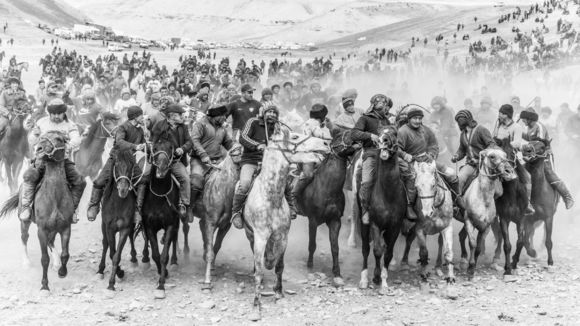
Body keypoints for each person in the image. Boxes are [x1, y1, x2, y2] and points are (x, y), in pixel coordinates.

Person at [19, 98, 86, 222]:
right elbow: (31, 140)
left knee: (80, 181)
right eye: (53, 113)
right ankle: (26, 206)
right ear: (49, 113)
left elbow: (76, 139)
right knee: (29, 177)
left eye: (58, 113)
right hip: (43, 160)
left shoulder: (70, 125)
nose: (56, 116)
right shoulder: (41, 122)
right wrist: (34, 134)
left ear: (63, 113)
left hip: (63, 161)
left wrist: (69, 145)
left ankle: (73, 209)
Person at [230, 105, 297, 229]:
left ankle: (291, 207)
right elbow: (243, 137)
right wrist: (257, 145)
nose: (271, 114)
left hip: (271, 163)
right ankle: (236, 212)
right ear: (263, 113)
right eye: (269, 112)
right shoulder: (253, 122)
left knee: (285, 181)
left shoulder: (279, 128)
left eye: (274, 112)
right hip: (251, 160)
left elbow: (286, 145)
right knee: (244, 184)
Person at [86, 106, 147, 224]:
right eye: (140, 115)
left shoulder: (140, 129)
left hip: (131, 160)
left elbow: (142, 143)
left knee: (143, 180)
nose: (142, 117)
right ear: (134, 116)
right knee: (99, 181)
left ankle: (137, 210)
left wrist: (147, 145)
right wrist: (135, 146)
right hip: (116, 158)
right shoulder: (122, 128)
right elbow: (119, 142)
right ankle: (94, 205)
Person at [519, 108, 574, 209]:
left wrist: (526, 149)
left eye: (524, 119)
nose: (523, 121)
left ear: (529, 118)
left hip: (543, 156)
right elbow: (529, 138)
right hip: (532, 156)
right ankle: (526, 202)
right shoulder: (530, 127)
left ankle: (567, 197)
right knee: (521, 172)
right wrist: (518, 131)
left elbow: (539, 143)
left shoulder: (539, 126)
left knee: (548, 173)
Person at [350, 94, 393, 224]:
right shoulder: (365, 118)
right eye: (383, 104)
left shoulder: (387, 121)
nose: (385, 107)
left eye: (386, 105)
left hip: (387, 153)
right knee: (367, 181)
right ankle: (365, 210)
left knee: (403, 176)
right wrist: (370, 135)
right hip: (371, 153)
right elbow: (354, 133)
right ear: (375, 104)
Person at [189, 105, 235, 222]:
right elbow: (195, 140)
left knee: (229, 181)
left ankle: (229, 210)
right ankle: (190, 207)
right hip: (199, 160)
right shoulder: (200, 124)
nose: (225, 118)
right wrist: (203, 155)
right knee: (196, 182)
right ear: (216, 116)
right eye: (223, 115)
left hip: (217, 161)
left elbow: (228, 143)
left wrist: (237, 148)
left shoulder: (222, 128)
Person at [150, 104, 194, 217]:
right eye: (180, 114)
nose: (182, 116)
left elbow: (189, 142)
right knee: (144, 178)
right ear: (172, 116)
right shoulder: (159, 126)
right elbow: (152, 144)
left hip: (175, 161)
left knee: (185, 178)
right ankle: (139, 207)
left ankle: (184, 204)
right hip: (158, 161)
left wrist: (182, 149)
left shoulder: (183, 127)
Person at [397, 107, 440, 220]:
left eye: (419, 118)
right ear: (409, 119)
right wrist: (406, 155)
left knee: (447, 174)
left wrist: (431, 155)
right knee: (412, 178)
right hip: (411, 161)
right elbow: (397, 148)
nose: (417, 121)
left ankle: (455, 201)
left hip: (427, 161)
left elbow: (434, 145)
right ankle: (409, 205)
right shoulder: (403, 131)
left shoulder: (426, 130)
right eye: (415, 118)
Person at [493, 104, 535, 214]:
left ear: (506, 115)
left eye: (501, 113)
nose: (499, 115)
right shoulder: (497, 125)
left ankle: (527, 204)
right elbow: (493, 138)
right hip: (495, 157)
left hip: (510, 159)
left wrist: (504, 142)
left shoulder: (517, 127)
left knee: (527, 177)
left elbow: (517, 143)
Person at [292, 104, 331, 210]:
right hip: (308, 153)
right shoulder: (312, 123)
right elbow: (320, 135)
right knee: (308, 175)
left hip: (321, 153)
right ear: (322, 115)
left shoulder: (320, 124)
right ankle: (293, 195)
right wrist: (331, 136)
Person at [451, 110, 495, 195]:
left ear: (469, 119)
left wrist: (482, 156)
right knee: (459, 178)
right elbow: (462, 150)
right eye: (458, 120)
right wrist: (457, 155)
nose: (460, 121)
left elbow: (492, 145)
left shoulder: (481, 130)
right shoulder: (463, 134)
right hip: (471, 164)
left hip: (485, 164)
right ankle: (458, 201)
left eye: (462, 118)